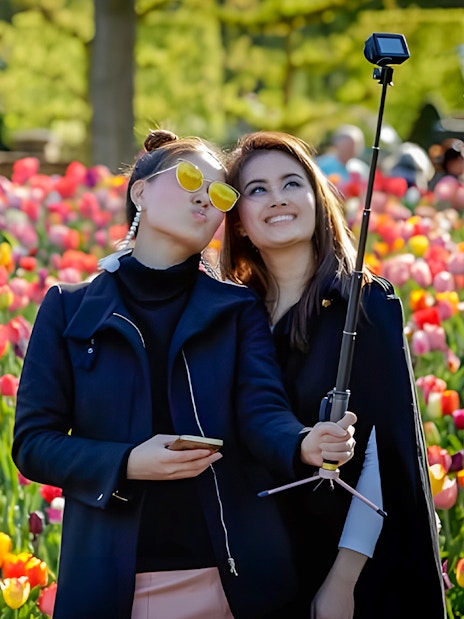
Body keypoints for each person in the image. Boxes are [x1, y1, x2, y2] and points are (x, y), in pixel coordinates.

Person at [12, 129, 357, 619]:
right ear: (140, 192)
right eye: (190, 177)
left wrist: (302, 443)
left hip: (230, 577)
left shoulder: (237, 308)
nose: (205, 196)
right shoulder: (69, 310)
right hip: (109, 580)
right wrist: (128, 461)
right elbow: (33, 443)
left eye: (220, 193)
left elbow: (261, 411)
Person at [220, 131, 446, 619]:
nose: (276, 197)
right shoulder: (234, 315)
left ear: (317, 199)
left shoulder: (363, 303)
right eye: (256, 189)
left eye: (291, 183)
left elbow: (383, 454)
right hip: (260, 562)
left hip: (352, 565)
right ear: (238, 222)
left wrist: (343, 581)